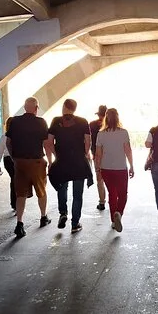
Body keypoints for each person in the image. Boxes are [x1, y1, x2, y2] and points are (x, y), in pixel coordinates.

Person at [6, 97, 52, 238]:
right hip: (36, 161)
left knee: (20, 194)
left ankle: (19, 223)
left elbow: (8, 142)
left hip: (20, 162)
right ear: (36, 108)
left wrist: (14, 158)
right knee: (41, 191)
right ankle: (43, 217)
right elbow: (46, 144)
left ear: (25, 107)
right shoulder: (41, 122)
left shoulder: (15, 121)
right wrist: (50, 161)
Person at [47, 99, 92, 234]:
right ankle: (75, 223)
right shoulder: (83, 121)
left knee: (62, 187)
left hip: (62, 161)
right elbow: (88, 141)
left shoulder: (56, 121)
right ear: (75, 108)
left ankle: (63, 213)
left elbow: (49, 142)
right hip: (78, 162)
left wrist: (56, 155)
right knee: (77, 194)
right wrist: (84, 153)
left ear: (64, 107)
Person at [94, 108, 134, 232]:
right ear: (117, 117)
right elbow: (128, 150)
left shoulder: (101, 134)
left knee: (112, 193)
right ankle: (119, 213)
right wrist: (132, 165)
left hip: (106, 168)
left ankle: (113, 221)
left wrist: (97, 170)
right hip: (120, 168)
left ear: (106, 118)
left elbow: (98, 154)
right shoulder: (123, 133)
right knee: (122, 194)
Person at [0, 117, 17, 213]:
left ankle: (14, 204)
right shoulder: (16, 136)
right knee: (16, 180)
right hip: (13, 159)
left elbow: (0, 151)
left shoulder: (4, 136)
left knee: (14, 180)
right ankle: (16, 204)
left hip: (7, 160)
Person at [89, 105, 107, 211]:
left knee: (100, 179)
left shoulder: (92, 125)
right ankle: (113, 199)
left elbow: (88, 140)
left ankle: (102, 201)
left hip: (97, 155)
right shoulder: (111, 126)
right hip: (110, 155)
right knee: (111, 178)